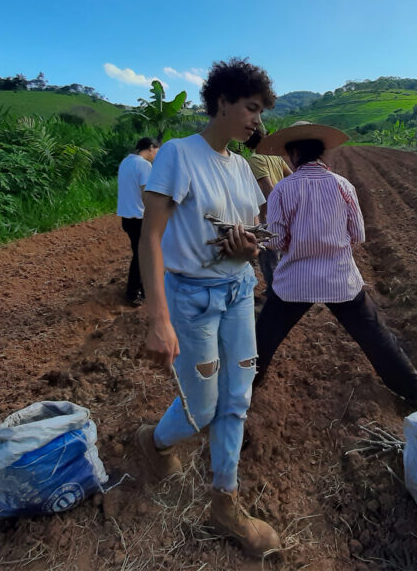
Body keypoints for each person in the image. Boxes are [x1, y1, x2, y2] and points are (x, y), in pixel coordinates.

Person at [137, 58, 281, 558]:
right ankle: (152, 443)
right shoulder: (179, 154)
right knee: (202, 407)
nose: (256, 122)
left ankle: (226, 504)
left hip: (239, 291)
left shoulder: (241, 167)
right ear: (221, 101)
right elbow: (150, 238)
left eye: (260, 113)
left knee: (237, 399)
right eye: (250, 108)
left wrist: (248, 249)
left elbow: (245, 239)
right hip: (192, 299)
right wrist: (158, 319)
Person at [252, 121, 417, 410]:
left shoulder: (282, 190)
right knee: (376, 336)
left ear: (294, 152)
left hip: (294, 282)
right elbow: (358, 236)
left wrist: (293, 243)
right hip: (340, 278)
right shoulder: (343, 185)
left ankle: (240, 389)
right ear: (320, 152)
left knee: (262, 338)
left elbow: (276, 241)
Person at [244, 126, 292, 290]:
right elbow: (292, 178)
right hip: (282, 214)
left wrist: (265, 219)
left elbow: (268, 189)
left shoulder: (256, 159)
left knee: (268, 259)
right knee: (278, 257)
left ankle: (275, 293)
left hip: (268, 216)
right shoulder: (276, 158)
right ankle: (280, 289)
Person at [117, 137, 159, 304]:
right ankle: (133, 292)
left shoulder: (126, 162)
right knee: (142, 254)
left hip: (126, 217)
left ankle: (141, 288)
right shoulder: (144, 165)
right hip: (139, 217)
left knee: (140, 252)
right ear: (150, 147)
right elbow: (145, 193)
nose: (156, 155)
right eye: (156, 150)